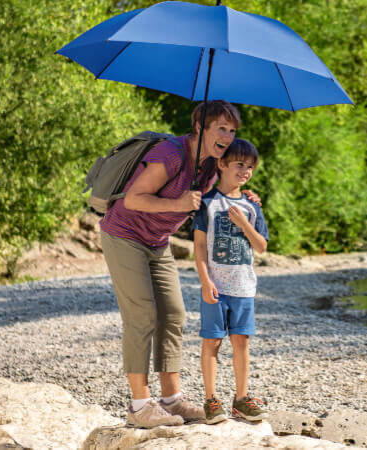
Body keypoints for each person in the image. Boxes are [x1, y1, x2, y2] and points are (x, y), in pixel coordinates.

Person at [100, 100, 259, 428]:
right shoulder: (171, 154)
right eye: (221, 129)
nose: (228, 137)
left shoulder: (212, 165)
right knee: (142, 315)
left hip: (158, 243)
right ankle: (140, 405)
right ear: (200, 127)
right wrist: (176, 203)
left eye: (232, 131)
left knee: (173, 314)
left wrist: (246, 197)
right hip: (125, 235)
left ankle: (171, 400)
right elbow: (133, 199)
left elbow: (223, 190)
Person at [192, 138, 269, 424]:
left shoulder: (251, 205)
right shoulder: (208, 203)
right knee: (211, 341)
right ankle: (211, 400)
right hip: (215, 286)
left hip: (243, 286)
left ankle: (241, 399)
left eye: (250, 167)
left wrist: (245, 223)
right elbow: (199, 247)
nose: (245, 171)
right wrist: (204, 280)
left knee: (241, 341)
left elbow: (261, 246)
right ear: (221, 164)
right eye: (239, 164)